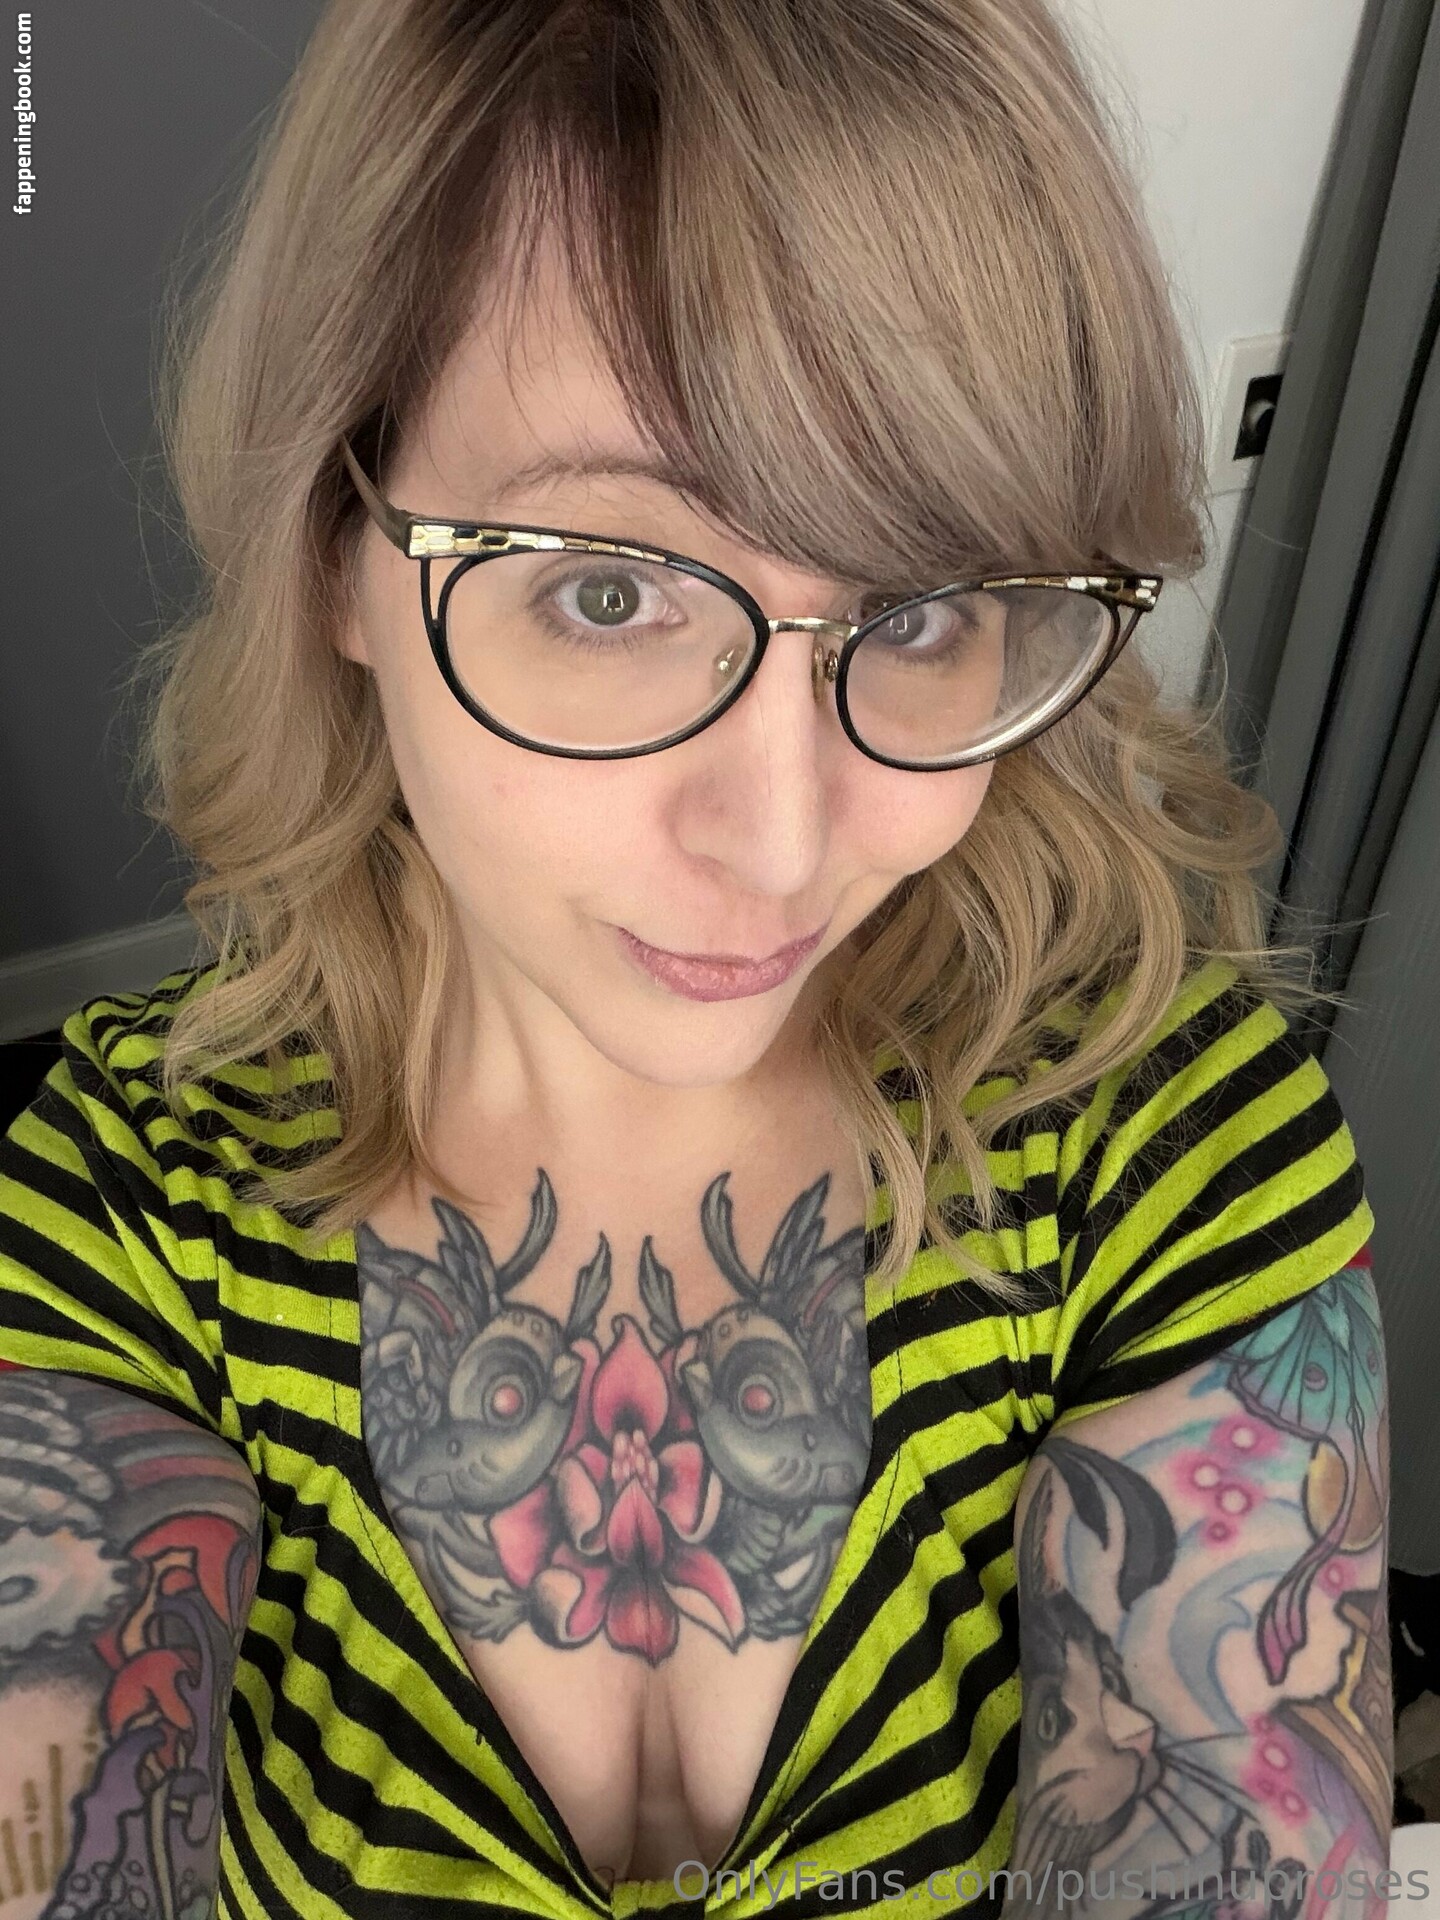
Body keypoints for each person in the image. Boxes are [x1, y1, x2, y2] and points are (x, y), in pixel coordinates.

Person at [0, 0, 1390, 1916]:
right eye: (608, 590)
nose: (787, 839)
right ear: (333, 546)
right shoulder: (122, 1203)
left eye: (920, 611)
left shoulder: (1170, 1141)